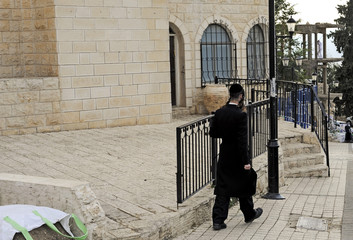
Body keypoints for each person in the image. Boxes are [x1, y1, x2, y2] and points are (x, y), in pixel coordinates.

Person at [210, 83, 262, 230]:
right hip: (238, 157)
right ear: (240, 97)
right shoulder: (241, 115)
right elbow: (242, 141)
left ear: (230, 96)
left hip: (225, 154)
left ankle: (218, 220)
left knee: (223, 187)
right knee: (244, 185)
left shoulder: (220, 112)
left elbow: (213, 133)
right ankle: (249, 213)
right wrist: (246, 161)